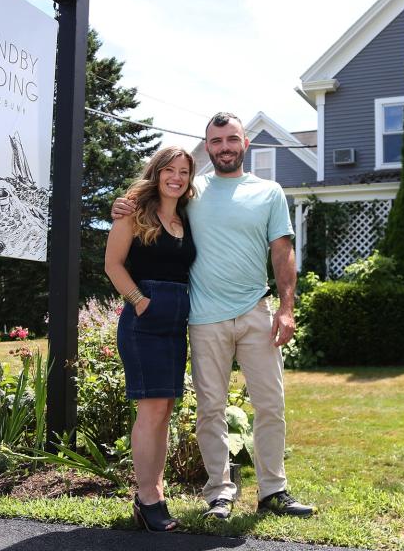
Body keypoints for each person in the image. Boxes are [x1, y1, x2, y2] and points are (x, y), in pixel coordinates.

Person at [113, 112, 314, 520]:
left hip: (257, 311)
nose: (224, 147)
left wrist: (287, 308)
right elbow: (152, 200)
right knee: (210, 409)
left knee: (271, 404)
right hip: (204, 316)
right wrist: (120, 204)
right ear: (207, 146)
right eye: (216, 140)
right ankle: (218, 494)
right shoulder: (191, 190)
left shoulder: (269, 191)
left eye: (231, 139)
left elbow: (282, 251)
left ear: (245, 144)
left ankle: (273, 490)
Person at [104, 145, 197, 532]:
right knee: (151, 409)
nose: (177, 177)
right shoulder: (134, 213)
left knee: (164, 410)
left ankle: (153, 494)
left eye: (184, 172)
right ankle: (147, 498)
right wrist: (140, 301)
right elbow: (112, 264)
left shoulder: (189, 217)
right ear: (157, 173)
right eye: (169, 170)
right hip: (144, 320)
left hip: (176, 322)